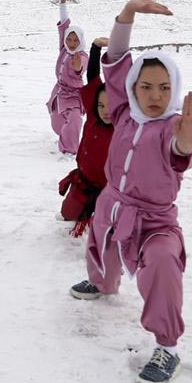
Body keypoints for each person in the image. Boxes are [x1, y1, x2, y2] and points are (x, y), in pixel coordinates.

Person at [69, 0, 192, 383]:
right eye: (146, 85)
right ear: (133, 88)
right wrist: (126, 14)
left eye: (164, 87)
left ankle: (168, 347)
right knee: (100, 244)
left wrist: (186, 146)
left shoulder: (173, 127)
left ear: (174, 89)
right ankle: (102, 282)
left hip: (154, 220)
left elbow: (178, 154)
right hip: (113, 203)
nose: (155, 95)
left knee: (162, 261)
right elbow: (114, 60)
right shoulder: (126, 112)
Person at [58, 37, 113, 235]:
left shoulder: (123, 127)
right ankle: (80, 214)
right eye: (101, 106)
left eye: (111, 106)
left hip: (110, 189)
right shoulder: (92, 117)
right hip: (85, 181)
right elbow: (92, 76)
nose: (106, 111)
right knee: (68, 213)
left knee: (105, 228)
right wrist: (96, 48)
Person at [46, 0, 89, 154]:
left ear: (80, 41)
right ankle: (64, 136)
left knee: (74, 119)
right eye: (69, 40)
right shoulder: (64, 49)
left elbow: (80, 67)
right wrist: (62, 4)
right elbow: (64, 27)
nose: (71, 43)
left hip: (74, 94)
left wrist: (77, 66)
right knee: (57, 123)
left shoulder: (82, 55)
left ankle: (70, 150)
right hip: (59, 91)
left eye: (75, 41)